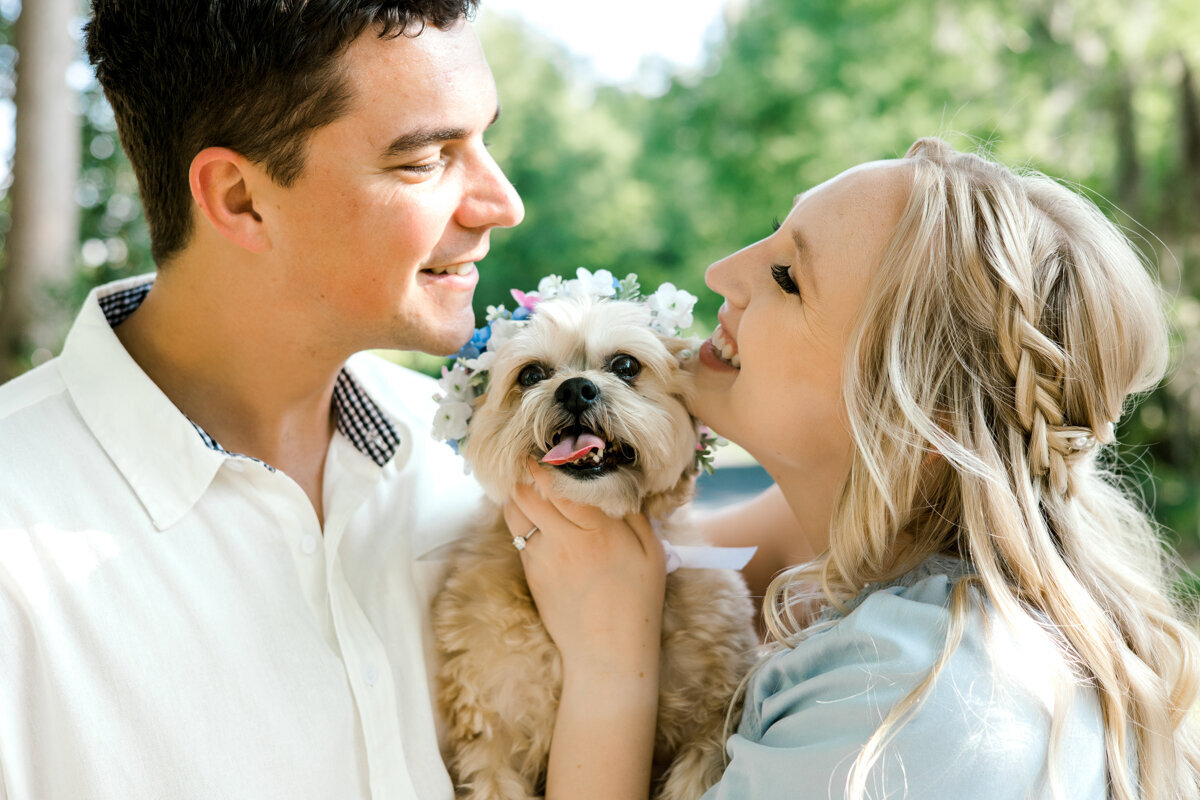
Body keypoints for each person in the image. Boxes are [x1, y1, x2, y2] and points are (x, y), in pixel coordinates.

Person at [507, 138, 1200, 799]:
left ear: (920, 415)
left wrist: (610, 669)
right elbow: (638, 556)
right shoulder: (861, 533)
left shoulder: (908, 708)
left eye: (787, 278)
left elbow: (623, 592)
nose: (722, 272)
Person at [0, 2, 522, 798]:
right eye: (425, 161)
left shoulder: (484, 466)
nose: (501, 203)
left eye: (482, 139)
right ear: (239, 198)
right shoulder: (17, 553)